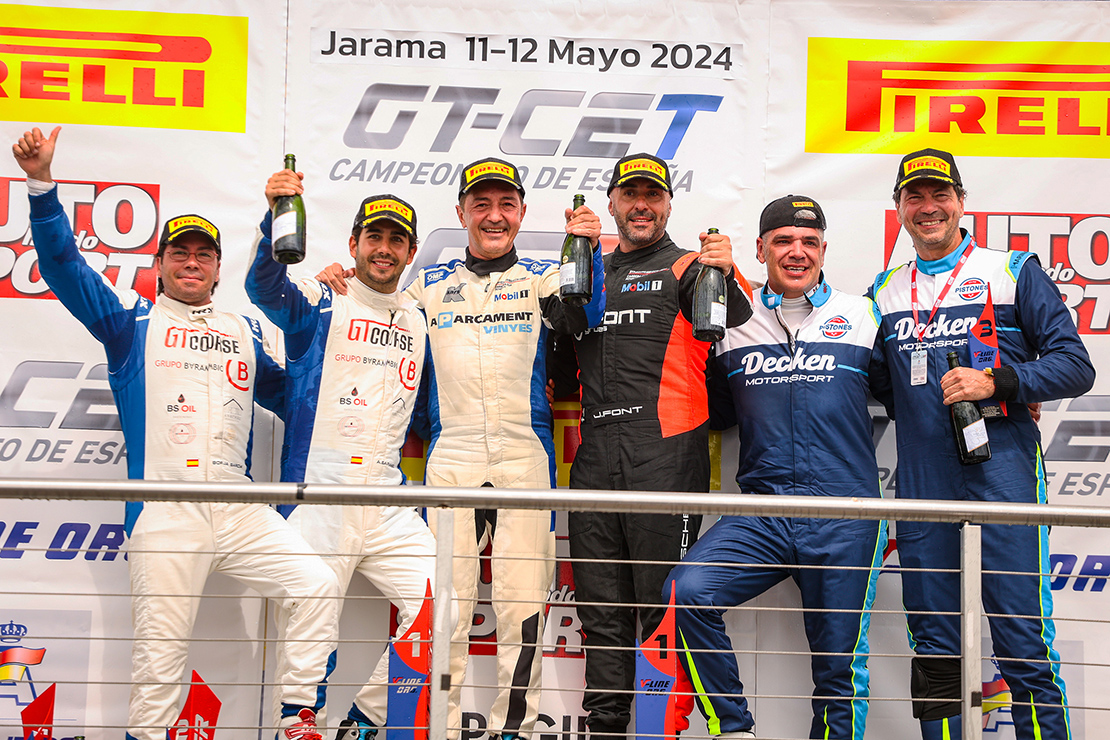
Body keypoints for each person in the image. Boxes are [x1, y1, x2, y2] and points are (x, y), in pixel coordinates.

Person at [12, 126, 340, 740]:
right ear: (159, 264)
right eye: (179, 253)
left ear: (217, 269)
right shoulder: (128, 323)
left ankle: (298, 715)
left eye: (204, 255)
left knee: (316, 582)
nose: (192, 262)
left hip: (239, 505)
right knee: (159, 665)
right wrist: (40, 185)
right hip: (164, 509)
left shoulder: (243, 328)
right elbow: (62, 266)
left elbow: (296, 396)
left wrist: (346, 323)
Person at [321, 157, 605, 740]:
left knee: (520, 608)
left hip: (524, 454)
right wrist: (339, 281)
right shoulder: (429, 284)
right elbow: (375, 311)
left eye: (506, 205)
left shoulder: (542, 277)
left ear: (523, 214)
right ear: (462, 213)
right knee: (440, 608)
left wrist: (586, 254)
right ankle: (431, 728)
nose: (494, 216)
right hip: (451, 458)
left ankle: (514, 731)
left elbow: (585, 316)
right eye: (482, 204)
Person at [868, 148, 1095, 740]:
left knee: (1023, 643)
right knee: (938, 651)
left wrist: (999, 381)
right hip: (924, 486)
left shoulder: (1013, 270)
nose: (928, 207)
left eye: (939, 195)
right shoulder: (885, 290)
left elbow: (1076, 366)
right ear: (898, 209)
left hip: (1006, 477)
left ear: (961, 203)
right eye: (914, 197)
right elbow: (874, 382)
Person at [666, 195, 887, 740]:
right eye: (783, 241)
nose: (797, 252)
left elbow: (912, 393)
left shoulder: (863, 314)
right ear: (762, 249)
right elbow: (706, 406)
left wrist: (1005, 394)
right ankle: (733, 728)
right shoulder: (732, 321)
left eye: (809, 242)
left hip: (845, 514)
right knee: (686, 591)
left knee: (839, 671)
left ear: (824, 250)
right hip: (761, 513)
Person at [559, 152, 753, 738]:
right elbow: (558, 324)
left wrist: (728, 266)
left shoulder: (691, 265)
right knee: (600, 608)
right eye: (630, 194)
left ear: (668, 204)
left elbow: (733, 313)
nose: (641, 205)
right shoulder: (583, 267)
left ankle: (657, 727)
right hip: (594, 453)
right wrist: (577, 253)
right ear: (613, 202)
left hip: (666, 451)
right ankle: (607, 725)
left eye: (654, 195)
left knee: (659, 604)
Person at [246, 172, 445, 740]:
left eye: (396, 240)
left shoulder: (417, 316)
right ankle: (298, 720)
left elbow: (427, 410)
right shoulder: (320, 296)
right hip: (320, 487)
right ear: (354, 243)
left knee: (443, 600)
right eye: (373, 237)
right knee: (313, 614)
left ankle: (365, 720)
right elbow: (264, 287)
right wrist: (275, 215)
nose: (384, 249)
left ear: (409, 252)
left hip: (385, 494)